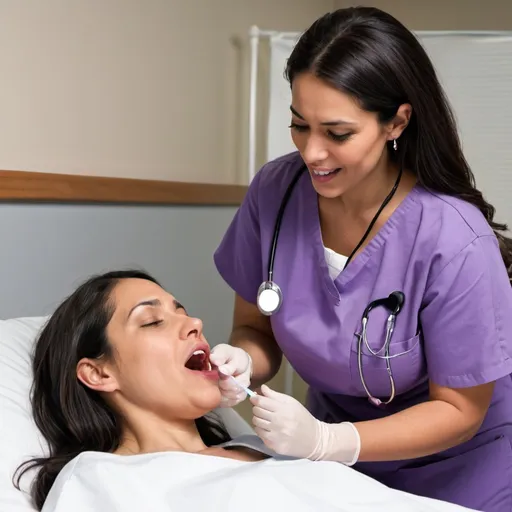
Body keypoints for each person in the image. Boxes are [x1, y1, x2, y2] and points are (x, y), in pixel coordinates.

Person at [211, 6, 512, 512]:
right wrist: (241, 364)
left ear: (397, 121)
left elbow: (460, 409)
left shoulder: (453, 238)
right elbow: (257, 332)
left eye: (337, 133)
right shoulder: (275, 191)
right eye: (299, 125)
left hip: (460, 468)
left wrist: (331, 442)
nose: (311, 152)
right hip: (331, 464)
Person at [13, 270, 472, 512]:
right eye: (153, 320)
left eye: (183, 311)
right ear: (98, 374)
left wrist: (323, 444)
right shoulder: (99, 480)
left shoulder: (264, 447)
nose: (194, 323)